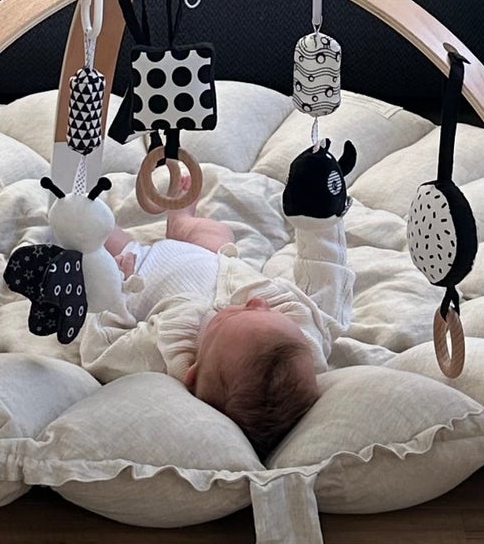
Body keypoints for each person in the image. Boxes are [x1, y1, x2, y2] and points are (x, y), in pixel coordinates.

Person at [78, 139, 357, 458]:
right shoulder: (305, 339)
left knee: (93, 235)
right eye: (266, 312)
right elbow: (326, 283)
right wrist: (320, 220)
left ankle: (79, 206)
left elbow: (101, 351)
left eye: (235, 314)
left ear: (193, 372)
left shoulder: (163, 353)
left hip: (141, 268)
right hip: (211, 255)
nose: (257, 303)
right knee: (217, 233)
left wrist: (113, 291)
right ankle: (180, 221)